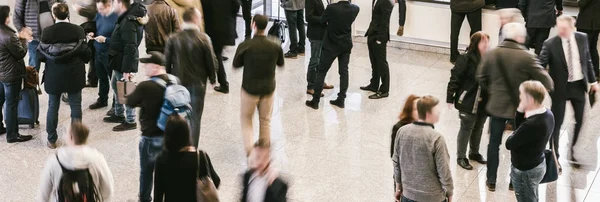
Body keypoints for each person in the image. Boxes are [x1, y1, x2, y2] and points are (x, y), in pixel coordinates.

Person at [477, 22, 553, 191]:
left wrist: (494, 91)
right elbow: (547, 82)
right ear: (519, 37)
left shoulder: (492, 54)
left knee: (493, 143)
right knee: (517, 144)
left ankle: (491, 180)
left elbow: (481, 77)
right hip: (519, 110)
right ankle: (513, 181)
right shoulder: (527, 57)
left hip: (496, 107)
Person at [538, 15, 599, 162]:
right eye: (559, 28)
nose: (561, 31)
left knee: (580, 120)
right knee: (556, 123)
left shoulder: (582, 38)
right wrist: (542, 84)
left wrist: (593, 81)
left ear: (572, 27)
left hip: (578, 86)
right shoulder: (550, 43)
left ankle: (572, 150)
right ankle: (554, 154)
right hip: (559, 88)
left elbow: (587, 60)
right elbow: (540, 66)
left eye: (564, 29)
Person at [37, 3, 91, 149]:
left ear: (54, 15)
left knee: (52, 107)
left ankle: (51, 139)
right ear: (68, 14)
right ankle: (76, 139)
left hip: (54, 76)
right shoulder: (78, 30)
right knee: (75, 106)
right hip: (74, 74)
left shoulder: (47, 32)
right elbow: (86, 54)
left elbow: (40, 55)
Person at [165, 7, 217, 147]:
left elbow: (167, 62)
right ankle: (192, 149)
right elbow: (211, 62)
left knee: (178, 116)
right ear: (195, 19)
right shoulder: (204, 38)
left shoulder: (173, 38)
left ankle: (177, 146)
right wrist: (213, 80)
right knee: (195, 119)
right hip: (197, 85)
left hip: (178, 83)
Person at [233, 14, 285, 155]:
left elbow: (236, 64)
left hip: (249, 89)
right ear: (266, 26)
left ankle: (250, 153)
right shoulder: (275, 44)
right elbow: (281, 63)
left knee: (246, 119)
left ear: (253, 25)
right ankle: (264, 154)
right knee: (265, 121)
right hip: (268, 89)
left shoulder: (246, 45)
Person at [125, 52, 170, 202]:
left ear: (156, 67)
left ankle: (144, 199)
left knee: (146, 172)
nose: (144, 67)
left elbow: (130, 102)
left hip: (150, 136)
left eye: (147, 64)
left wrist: (129, 84)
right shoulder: (174, 81)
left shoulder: (146, 86)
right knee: (165, 172)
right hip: (169, 137)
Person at [392, 95, 453, 202]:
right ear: (428, 114)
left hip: (408, 195)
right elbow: (444, 171)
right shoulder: (436, 138)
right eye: (437, 111)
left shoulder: (401, 131)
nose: (439, 113)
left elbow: (396, 162)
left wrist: (398, 187)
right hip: (433, 197)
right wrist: (449, 193)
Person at [38, 121, 114, 201]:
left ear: (71, 137)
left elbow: (43, 192)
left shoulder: (54, 160)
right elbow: (107, 188)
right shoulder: (97, 158)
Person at [305, 0, 359, 110]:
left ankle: (315, 101)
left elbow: (324, 20)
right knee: (344, 72)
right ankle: (341, 99)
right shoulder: (355, 8)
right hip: (345, 44)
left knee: (321, 71)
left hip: (331, 45)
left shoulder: (332, 8)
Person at [153, 114, 221, 202]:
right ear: (187, 134)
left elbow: (157, 197)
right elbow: (216, 181)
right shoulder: (200, 157)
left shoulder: (161, 160)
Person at [447, 31, 489, 170]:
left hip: (483, 102)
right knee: (466, 127)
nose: (487, 45)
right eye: (484, 42)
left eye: (487, 42)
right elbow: (455, 78)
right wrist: (450, 97)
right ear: (476, 43)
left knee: (479, 127)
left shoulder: (488, 59)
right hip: (468, 101)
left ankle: (474, 152)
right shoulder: (465, 58)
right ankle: (461, 156)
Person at [506, 81, 554, 202]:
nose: (520, 98)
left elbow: (509, 143)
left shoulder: (531, 124)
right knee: (532, 197)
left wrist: (515, 131)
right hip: (538, 164)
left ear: (531, 100)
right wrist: (521, 112)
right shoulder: (548, 114)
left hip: (525, 171)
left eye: (522, 95)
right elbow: (520, 131)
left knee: (526, 198)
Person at [103, 0, 147, 132]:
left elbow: (130, 47)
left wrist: (127, 70)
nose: (112, 5)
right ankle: (119, 112)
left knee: (126, 90)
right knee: (116, 86)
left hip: (124, 62)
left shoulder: (128, 21)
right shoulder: (127, 17)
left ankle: (130, 120)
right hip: (119, 60)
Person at [0, 5, 33, 143]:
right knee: (11, 104)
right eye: (9, 14)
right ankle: (12, 135)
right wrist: (24, 39)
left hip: (1, 73)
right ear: (5, 18)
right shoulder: (8, 35)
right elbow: (20, 53)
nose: (11, 16)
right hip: (11, 75)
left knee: (0, 101)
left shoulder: (5, 33)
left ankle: (1, 127)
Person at [13, 0, 64, 72]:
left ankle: (51, 83)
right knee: (33, 69)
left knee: (55, 68)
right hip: (34, 40)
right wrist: (23, 31)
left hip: (54, 38)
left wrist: (64, 25)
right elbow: (16, 17)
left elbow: (64, 7)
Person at [202, 0, 240, 94]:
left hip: (213, 28)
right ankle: (217, 79)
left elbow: (204, 10)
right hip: (227, 26)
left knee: (216, 54)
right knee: (217, 52)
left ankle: (223, 84)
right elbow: (236, 6)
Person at [88, 0, 119, 111]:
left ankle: (116, 105)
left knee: (114, 80)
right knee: (102, 77)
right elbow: (95, 26)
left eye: (102, 9)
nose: (99, 12)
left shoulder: (117, 17)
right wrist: (92, 33)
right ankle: (102, 99)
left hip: (110, 54)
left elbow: (119, 40)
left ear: (109, 6)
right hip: (98, 51)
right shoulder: (99, 14)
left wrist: (106, 40)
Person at [361, 0, 393, 99]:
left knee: (381, 63)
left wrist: (380, 38)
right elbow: (375, 17)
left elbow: (385, 21)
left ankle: (384, 90)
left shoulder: (386, 1)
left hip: (379, 37)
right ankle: (374, 85)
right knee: (374, 62)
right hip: (372, 34)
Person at [305, 0, 334, 96]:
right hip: (316, 34)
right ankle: (311, 86)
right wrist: (324, 19)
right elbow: (308, 17)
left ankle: (320, 82)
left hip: (324, 34)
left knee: (322, 60)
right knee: (315, 61)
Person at [73, 0, 99, 88]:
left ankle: (93, 79)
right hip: (94, 27)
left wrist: (80, 9)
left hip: (95, 27)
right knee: (93, 56)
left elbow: (92, 11)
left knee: (93, 55)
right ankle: (92, 79)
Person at [576, 0, 600, 79]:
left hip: (586, 23)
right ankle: (595, 72)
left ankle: (584, 72)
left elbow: (581, 3)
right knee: (593, 48)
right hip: (596, 23)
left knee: (583, 48)